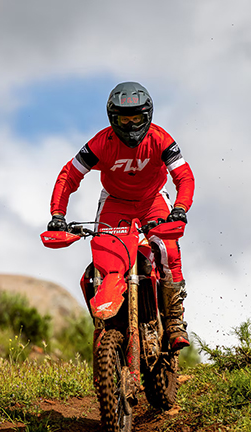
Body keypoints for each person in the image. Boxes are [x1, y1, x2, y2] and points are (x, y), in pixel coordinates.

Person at [47, 81, 195, 350]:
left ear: (147, 115)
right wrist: (58, 215)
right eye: (124, 119)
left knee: (167, 249)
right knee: (105, 260)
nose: (130, 125)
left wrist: (180, 209)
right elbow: (69, 175)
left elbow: (184, 176)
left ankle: (174, 321)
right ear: (112, 118)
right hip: (115, 203)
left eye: (136, 118)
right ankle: (107, 323)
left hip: (153, 200)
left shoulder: (161, 140)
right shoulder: (100, 143)